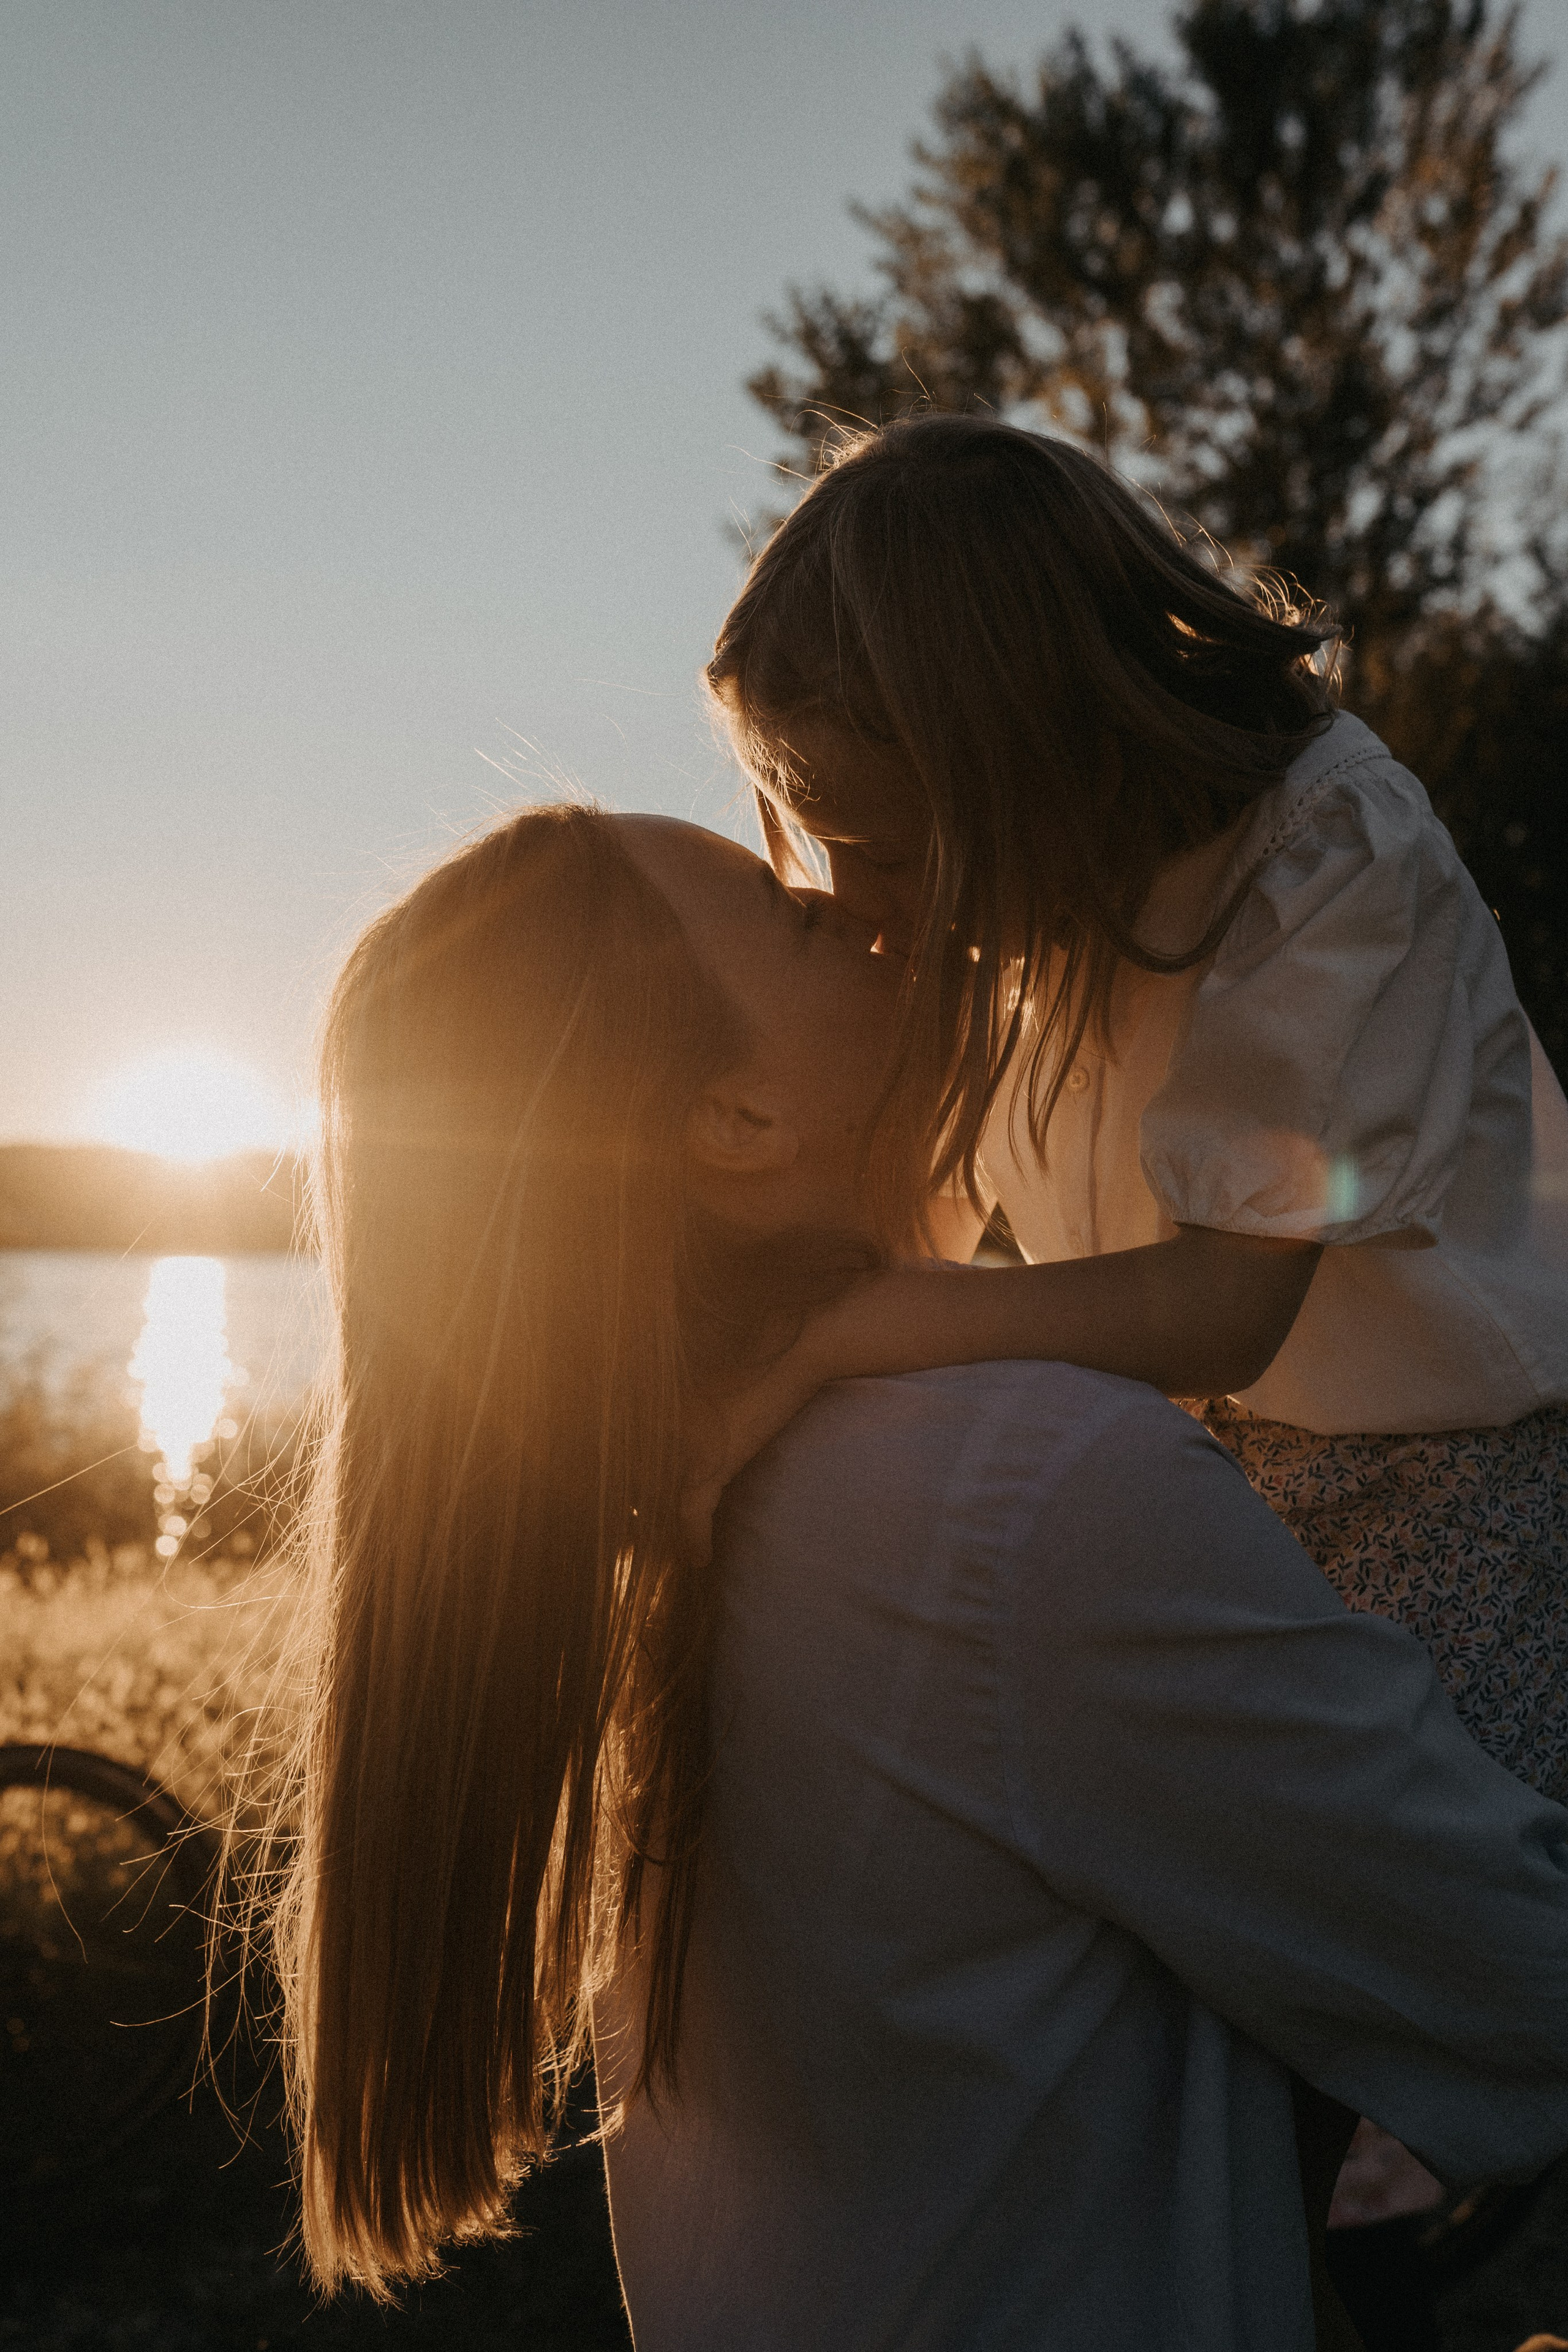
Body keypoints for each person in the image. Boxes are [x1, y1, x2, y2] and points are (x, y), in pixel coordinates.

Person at [251, 798, 1568, 2346]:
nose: (888, 918)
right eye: (804, 920)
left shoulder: (628, 1525)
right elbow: (1519, 1985)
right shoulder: (1023, 1494)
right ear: (733, 1121)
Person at [700, 412, 1568, 1814]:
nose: (849, 902)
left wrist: (837, 1334)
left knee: (1424, 1884)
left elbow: (1219, 1307)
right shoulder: (1018, 920)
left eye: (882, 852)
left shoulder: (1322, 851)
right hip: (1209, 1491)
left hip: (1445, 1493)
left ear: (1030, 762)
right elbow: (933, 1238)